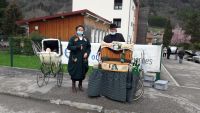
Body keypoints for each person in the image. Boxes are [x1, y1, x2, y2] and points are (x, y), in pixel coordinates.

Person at [67, 25, 91, 93]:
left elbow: (89, 47)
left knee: (82, 71)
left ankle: (80, 85)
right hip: (75, 58)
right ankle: (73, 86)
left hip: (83, 58)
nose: (80, 31)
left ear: (83, 31)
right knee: (75, 71)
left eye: (81, 29)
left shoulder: (86, 39)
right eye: (79, 29)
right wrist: (77, 47)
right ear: (76, 30)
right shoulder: (73, 38)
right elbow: (69, 47)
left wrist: (87, 53)